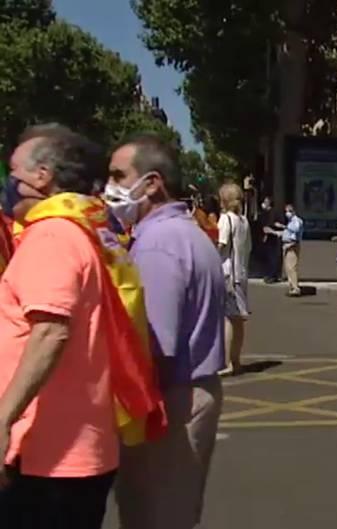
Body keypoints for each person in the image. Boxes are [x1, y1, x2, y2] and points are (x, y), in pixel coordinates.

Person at [0, 125, 121, 528]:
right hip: (74, 451)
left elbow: (50, 332)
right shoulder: (85, 230)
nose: (8, 182)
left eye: (12, 171)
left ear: (42, 175)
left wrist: (2, 421)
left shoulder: (51, 235)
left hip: (49, 460)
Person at [106, 134, 226, 529]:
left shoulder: (158, 243)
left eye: (119, 176)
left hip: (170, 400)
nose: (110, 187)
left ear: (153, 182)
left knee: (151, 516)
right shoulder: (186, 233)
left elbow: (153, 345)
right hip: (192, 392)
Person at [217, 183, 252, 376]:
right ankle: (236, 361)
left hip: (227, 274)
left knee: (227, 320)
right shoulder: (244, 221)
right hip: (242, 273)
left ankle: (226, 363)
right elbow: (248, 248)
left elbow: (221, 245)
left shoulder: (225, 219)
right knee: (238, 321)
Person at [276, 204, 304, 297]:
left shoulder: (296, 221)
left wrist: (284, 227)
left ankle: (295, 288)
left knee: (292, 267)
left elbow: (295, 231)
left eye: (289, 211)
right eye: (286, 211)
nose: (287, 213)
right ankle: (291, 286)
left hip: (292, 246)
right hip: (287, 245)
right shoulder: (290, 222)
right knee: (288, 268)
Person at [258, 196, 282, 283]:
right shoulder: (265, 213)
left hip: (272, 238)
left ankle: (272, 275)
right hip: (268, 238)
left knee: (272, 257)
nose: (264, 203)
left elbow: (269, 226)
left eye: (266, 202)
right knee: (270, 257)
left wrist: (274, 231)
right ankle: (270, 274)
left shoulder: (272, 213)